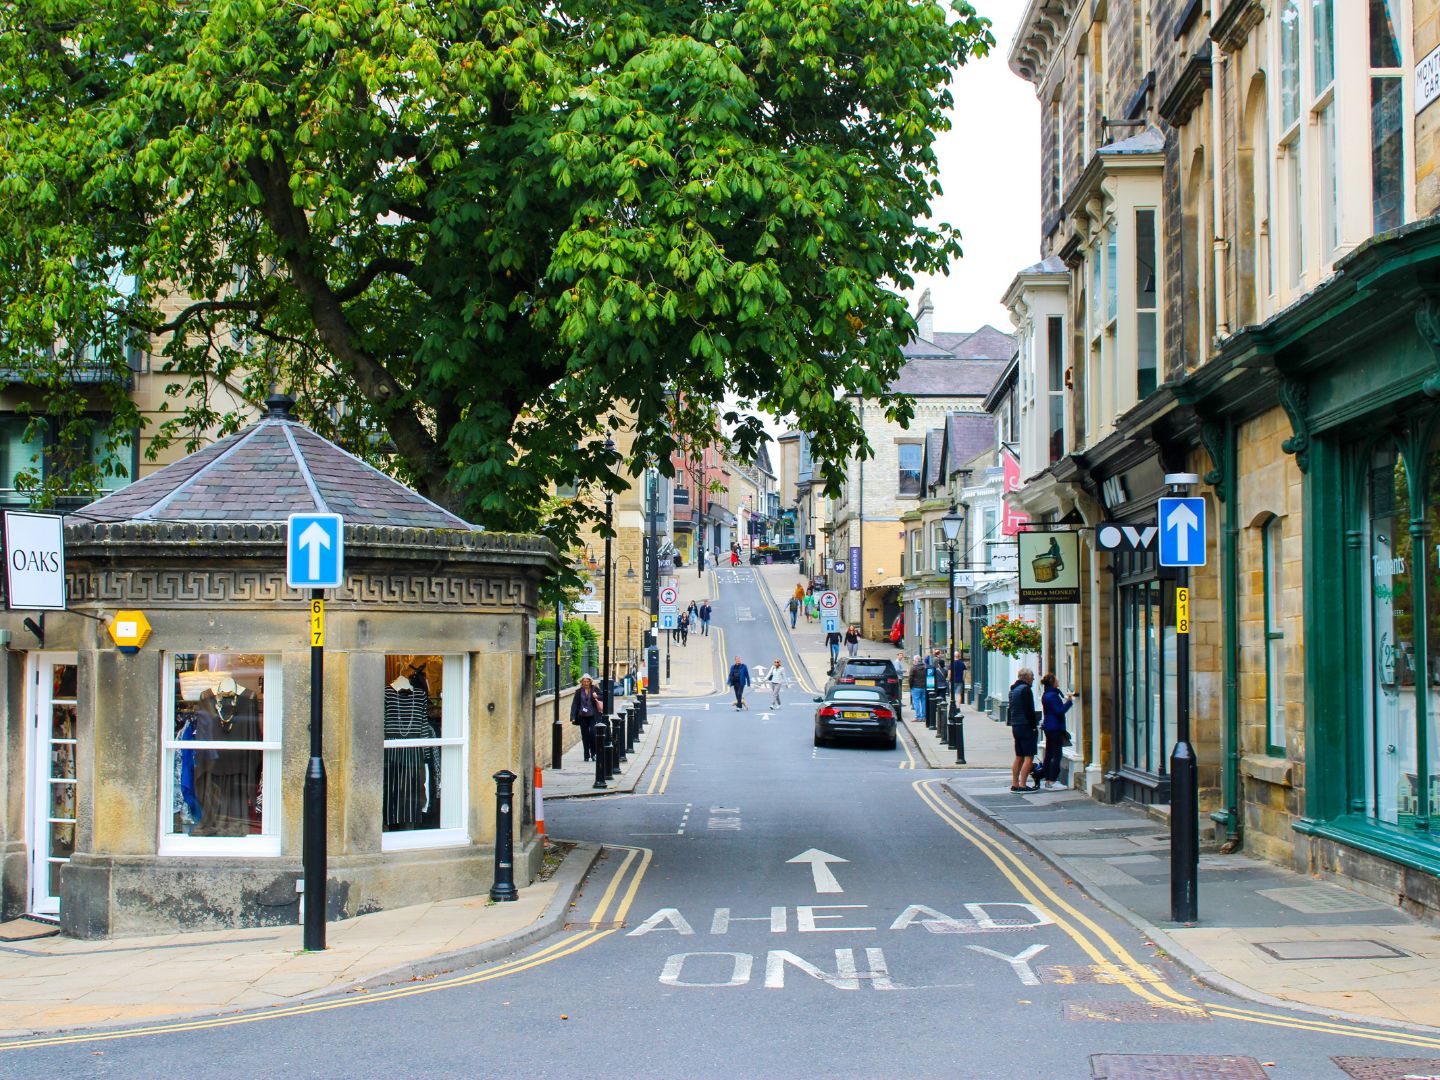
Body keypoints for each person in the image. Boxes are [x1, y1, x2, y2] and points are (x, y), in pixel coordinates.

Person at [1008, 668, 1041, 792]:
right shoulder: (1026, 690)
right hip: (1026, 726)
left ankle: (1015, 783)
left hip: (1016, 725)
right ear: (1026, 677)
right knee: (1029, 757)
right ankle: (1022, 784)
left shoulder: (1013, 690)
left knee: (1019, 756)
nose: (1033, 678)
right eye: (1032, 676)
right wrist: (1033, 726)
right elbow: (1029, 710)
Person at [1039, 673, 1073, 789]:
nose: (1058, 681)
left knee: (1049, 754)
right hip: (1055, 728)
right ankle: (1052, 780)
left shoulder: (1047, 694)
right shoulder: (1052, 696)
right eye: (1056, 680)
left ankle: (1047, 779)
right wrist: (1069, 702)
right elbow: (1059, 711)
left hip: (1050, 727)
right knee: (1056, 754)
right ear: (1052, 682)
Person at [570, 674, 603, 762]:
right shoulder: (578, 691)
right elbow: (575, 705)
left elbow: (603, 696)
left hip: (593, 716)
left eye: (587, 681)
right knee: (585, 736)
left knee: (592, 734)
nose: (586, 683)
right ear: (581, 682)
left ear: (590, 681)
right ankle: (586, 755)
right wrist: (573, 716)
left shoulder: (594, 689)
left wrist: (597, 696)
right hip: (582, 716)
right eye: (584, 681)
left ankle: (593, 753)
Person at [908, 654, 927, 723]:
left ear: (916, 660)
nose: (913, 661)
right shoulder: (925, 667)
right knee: (923, 702)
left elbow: (910, 678)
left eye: (913, 660)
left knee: (916, 702)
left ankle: (918, 717)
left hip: (915, 687)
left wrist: (910, 686)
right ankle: (924, 717)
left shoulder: (913, 668)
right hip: (923, 687)